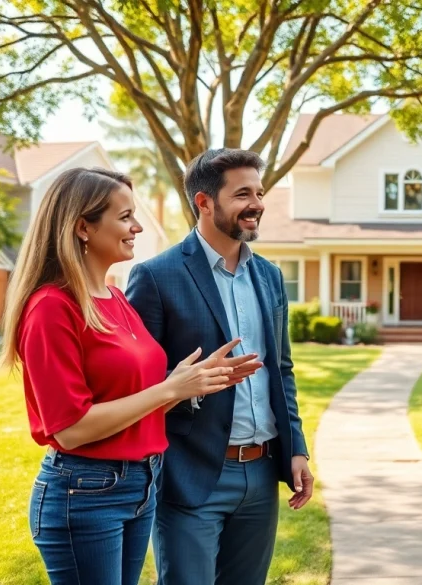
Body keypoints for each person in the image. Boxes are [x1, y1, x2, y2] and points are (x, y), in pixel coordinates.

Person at [0, 167, 260, 585]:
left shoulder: (115, 299)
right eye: (124, 217)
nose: (137, 226)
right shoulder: (51, 307)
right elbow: (70, 429)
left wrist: (195, 381)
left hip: (142, 484)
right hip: (85, 493)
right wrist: (169, 388)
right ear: (83, 226)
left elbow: (139, 401)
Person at [126, 148, 312, 585]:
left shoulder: (269, 276)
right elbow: (136, 387)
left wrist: (296, 449)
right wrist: (188, 386)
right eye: (242, 193)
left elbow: (281, 369)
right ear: (204, 202)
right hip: (192, 476)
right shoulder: (155, 276)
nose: (258, 204)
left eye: (260, 192)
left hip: (263, 472)